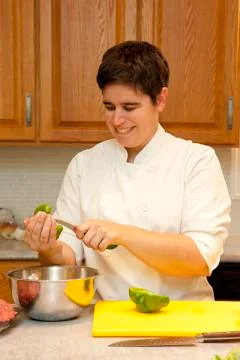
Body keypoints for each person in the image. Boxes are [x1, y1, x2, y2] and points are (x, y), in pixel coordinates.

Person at [24, 41, 231, 300]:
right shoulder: (84, 165)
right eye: (109, 107)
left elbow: (200, 258)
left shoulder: (196, 161)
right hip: (104, 320)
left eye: (129, 108)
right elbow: (68, 259)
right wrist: (48, 248)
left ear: (161, 99)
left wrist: (122, 233)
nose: (117, 120)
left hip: (183, 323)